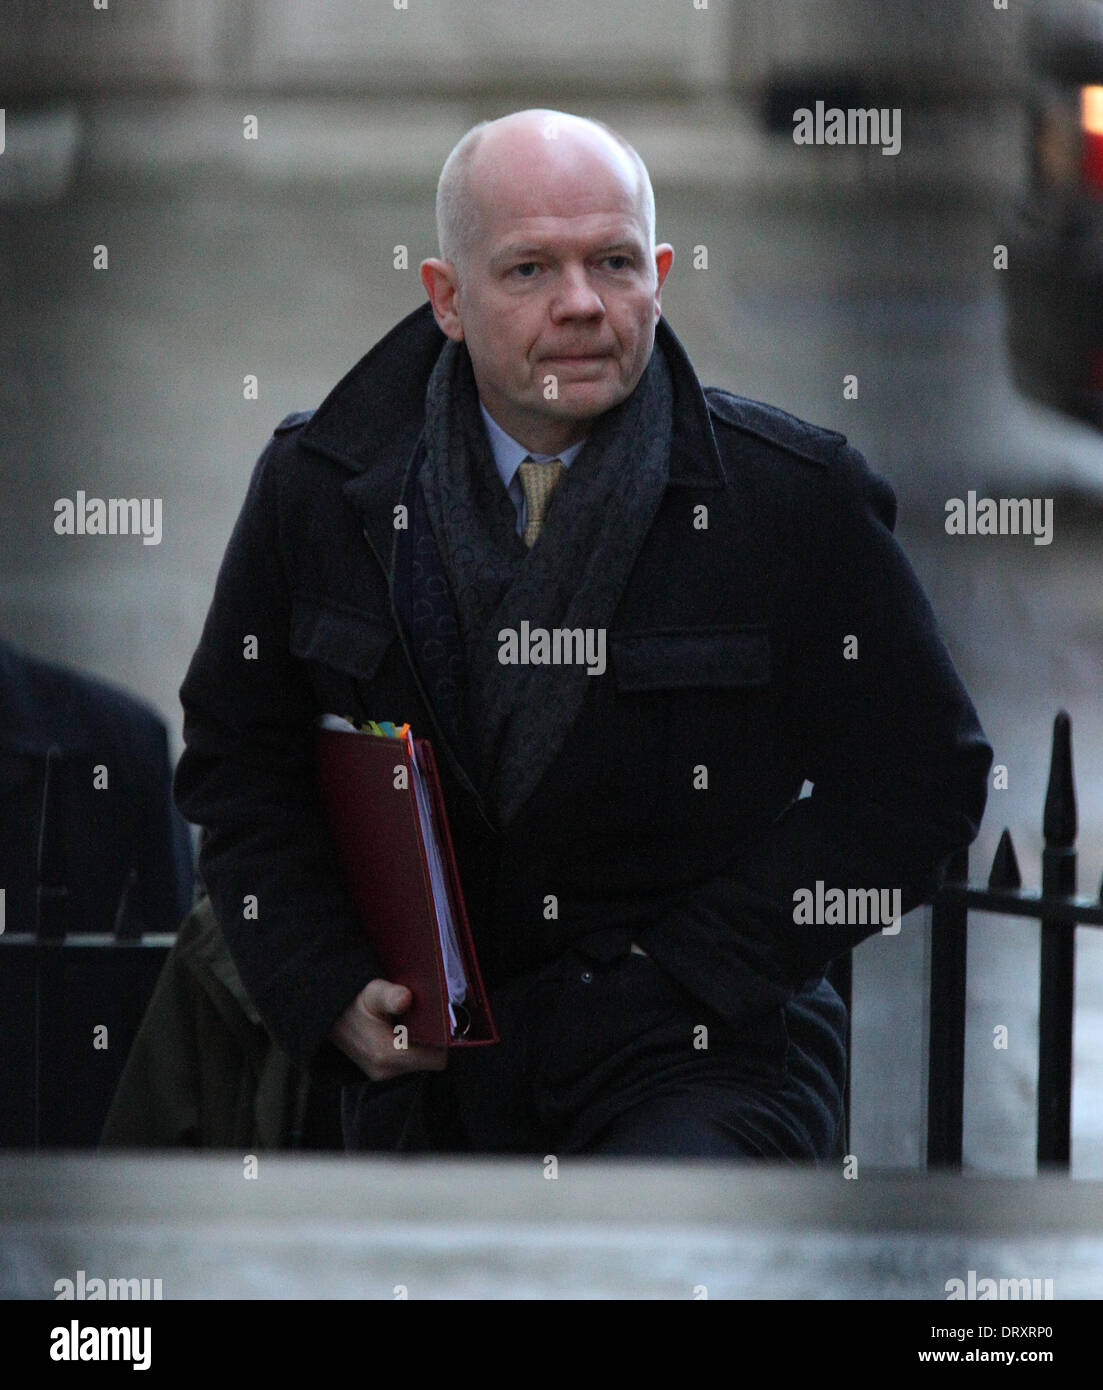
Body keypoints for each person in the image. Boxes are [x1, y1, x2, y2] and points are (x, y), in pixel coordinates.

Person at [174, 109, 992, 1159]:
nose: (578, 305)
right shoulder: (320, 489)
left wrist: (693, 969)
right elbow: (238, 764)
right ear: (446, 298)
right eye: (526, 271)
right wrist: (321, 983)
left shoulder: (788, 499)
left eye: (611, 263)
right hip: (428, 1070)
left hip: (702, 1054)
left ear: (656, 273)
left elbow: (922, 779)